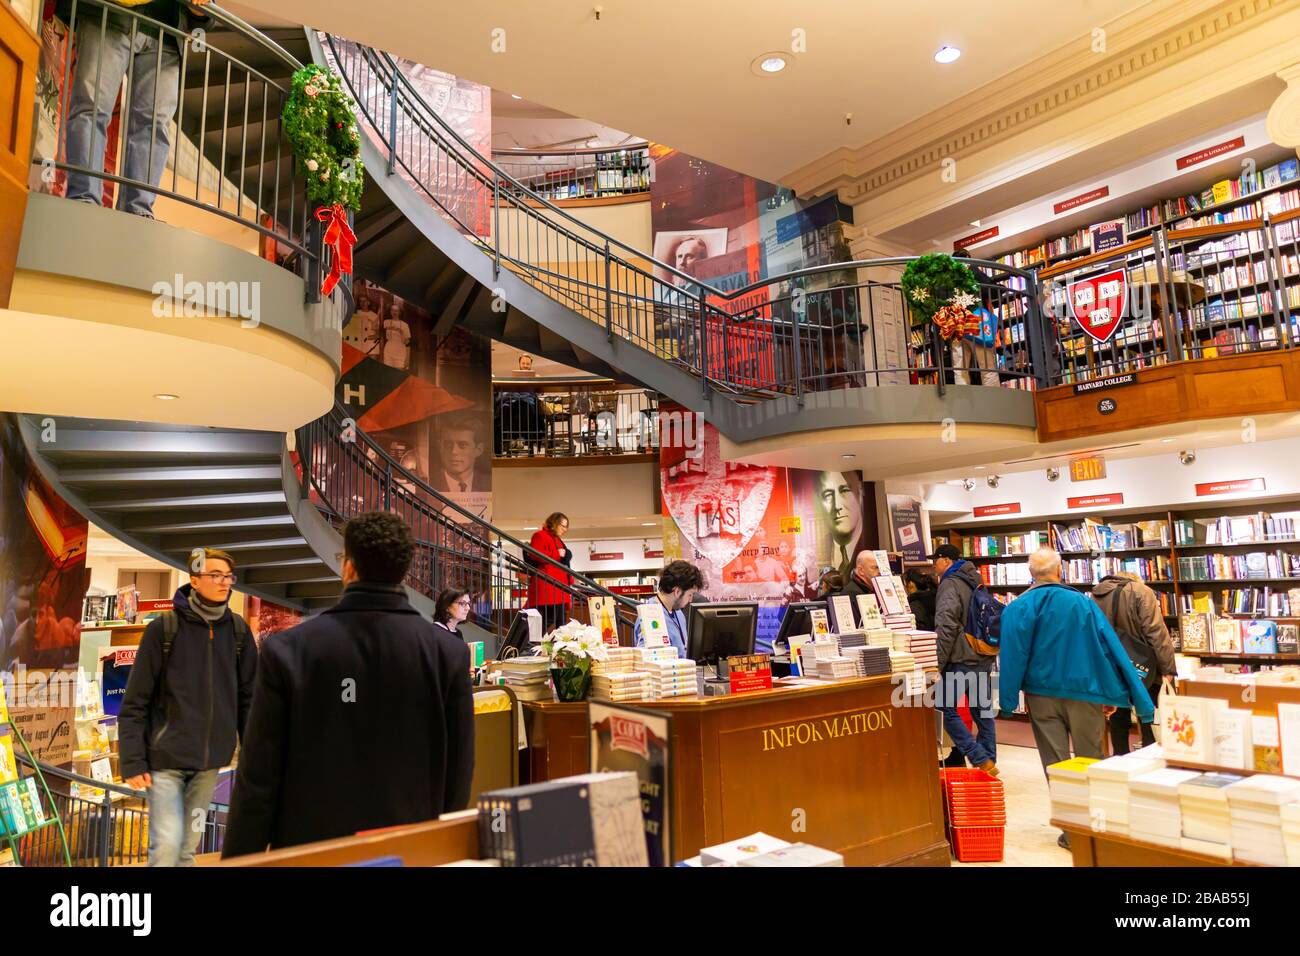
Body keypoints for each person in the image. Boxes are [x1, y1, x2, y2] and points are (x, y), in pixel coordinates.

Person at [222, 512, 474, 856]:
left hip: (311, 855)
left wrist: (240, 860)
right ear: (404, 573)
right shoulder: (449, 654)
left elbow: (259, 779)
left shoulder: (288, 651)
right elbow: (458, 771)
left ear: (349, 569)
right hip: (411, 851)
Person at [998, 547, 1155, 850]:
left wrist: (1007, 702)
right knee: (1091, 759)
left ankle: (1073, 833)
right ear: (1060, 571)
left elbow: (1013, 658)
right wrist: (1126, 695)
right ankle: (1097, 830)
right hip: (1085, 693)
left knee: (1056, 764)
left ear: (1032, 574)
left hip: (1041, 695)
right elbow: (1109, 648)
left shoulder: (1017, 608)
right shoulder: (1082, 604)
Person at [118, 547, 256, 866]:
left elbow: (250, 701)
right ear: (194, 580)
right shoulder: (163, 629)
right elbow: (135, 700)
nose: (224, 583)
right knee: (166, 845)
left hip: (209, 765)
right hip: (166, 761)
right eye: (215, 575)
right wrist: (133, 761)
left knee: (187, 849)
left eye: (228, 576)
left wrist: (252, 754)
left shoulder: (238, 633)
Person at [63, 1, 211, 218]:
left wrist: (201, 8)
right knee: (92, 107)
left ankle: (138, 211)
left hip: (167, 36)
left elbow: (204, 15)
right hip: (111, 13)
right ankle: (84, 198)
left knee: (154, 128)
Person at [1091, 571, 1176, 754]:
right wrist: (1168, 668)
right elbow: (1156, 633)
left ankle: (1121, 759)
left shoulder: (1095, 595)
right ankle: (1150, 759)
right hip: (1143, 667)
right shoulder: (1141, 591)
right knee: (1148, 715)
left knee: (1117, 717)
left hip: (1110, 666)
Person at [932, 543, 998, 777]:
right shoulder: (975, 578)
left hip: (960, 658)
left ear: (946, 561)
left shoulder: (950, 583)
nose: (934, 566)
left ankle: (978, 756)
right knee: (983, 710)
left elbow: (946, 626)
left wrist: (937, 664)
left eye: (936, 561)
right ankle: (989, 765)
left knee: (942, 706)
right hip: (982, 655)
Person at [633, 560, 704, 654]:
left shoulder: (678, 613)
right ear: (677, 591)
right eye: (690, 595)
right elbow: (647, 660)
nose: (690, 600)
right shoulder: (650, 616)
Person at [527, 512, 573, 632]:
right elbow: (535, 554)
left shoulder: (556, 539)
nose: (565, 530)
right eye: (562, 526)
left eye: (566, 527)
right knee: (549, 619)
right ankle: (532, 645)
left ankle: (560, 648)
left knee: (560, 622)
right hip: (549, 588)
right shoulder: (540, 535)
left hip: (558, 588)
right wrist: (558, 554)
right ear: (554, 523)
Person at [817, 471, 864, 580]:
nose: (837, 506)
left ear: (860, 494)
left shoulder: (872, 548)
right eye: (828, 495)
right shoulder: (818, 552)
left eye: (845, 491)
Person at [435, 416, 487, 494]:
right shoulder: (427, 484)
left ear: (478, 450)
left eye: (462, 445)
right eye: (448, 445)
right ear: (440, 447)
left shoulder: (487, 484)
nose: (454, 451)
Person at [379, 300, 412, 370]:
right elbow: (380, 334)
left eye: (397, 310)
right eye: (393, 310)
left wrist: (401, 332)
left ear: (400, 312)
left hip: (400, 351)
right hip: (388, 350)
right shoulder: (386, 322)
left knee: (399, 374)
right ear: (390, 311)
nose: (394, 312)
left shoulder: (405, 325)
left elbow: (407, 343)